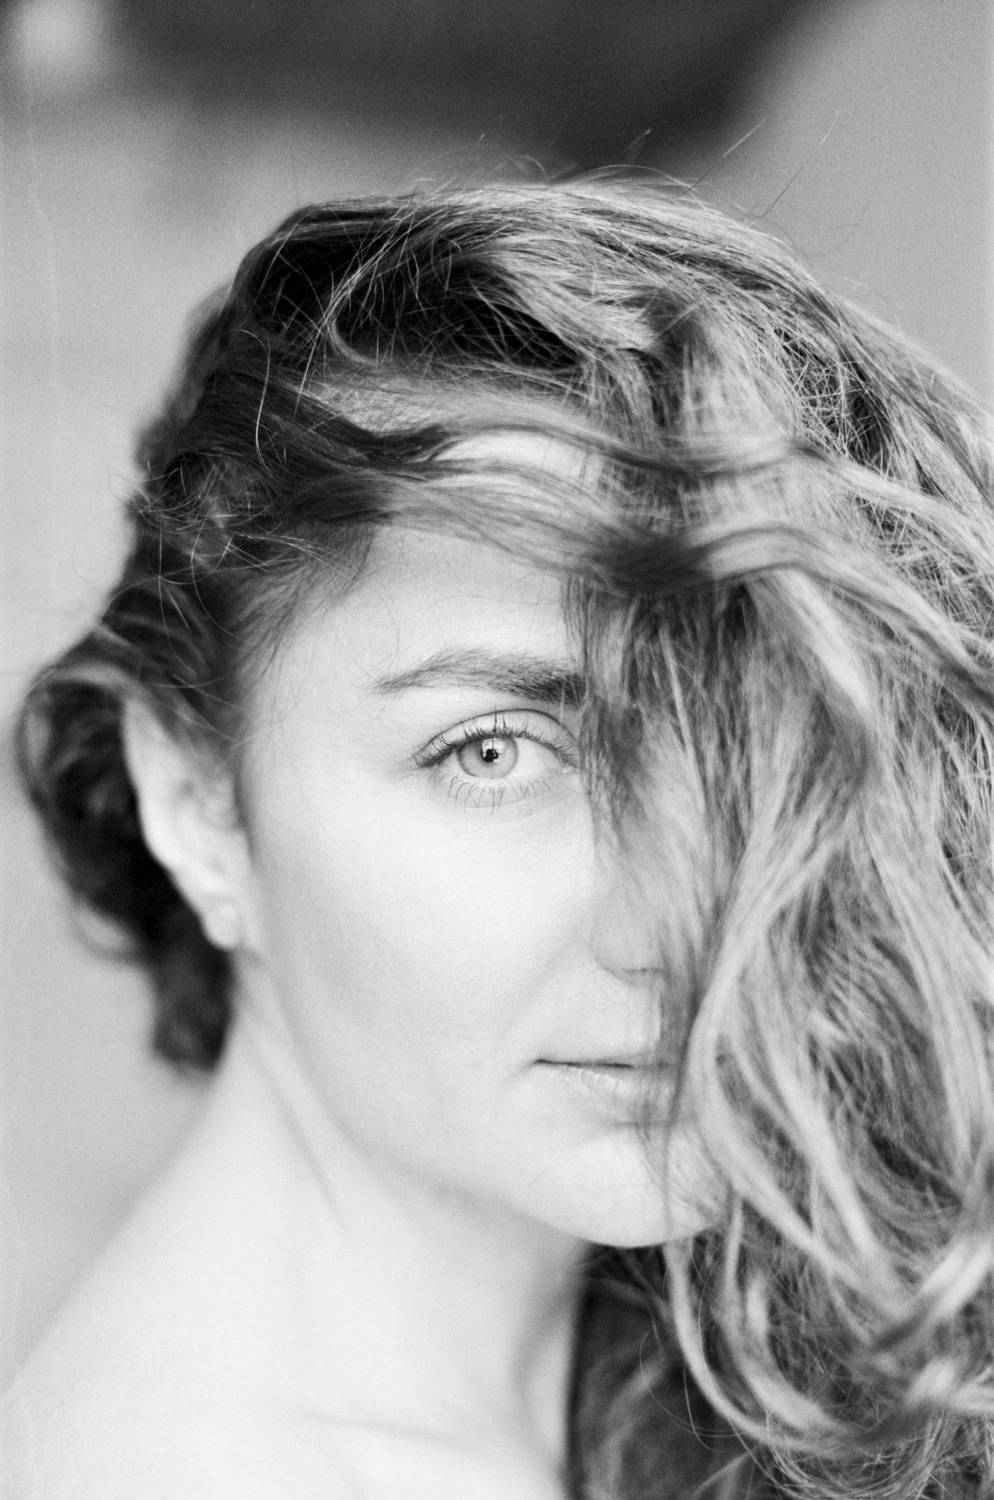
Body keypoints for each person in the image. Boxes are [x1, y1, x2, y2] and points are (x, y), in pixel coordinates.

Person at [4, 176, 994, 1500]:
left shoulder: (704, 1375)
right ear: (195, 799)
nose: (678, 923)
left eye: (743, 745)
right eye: (493, 753)